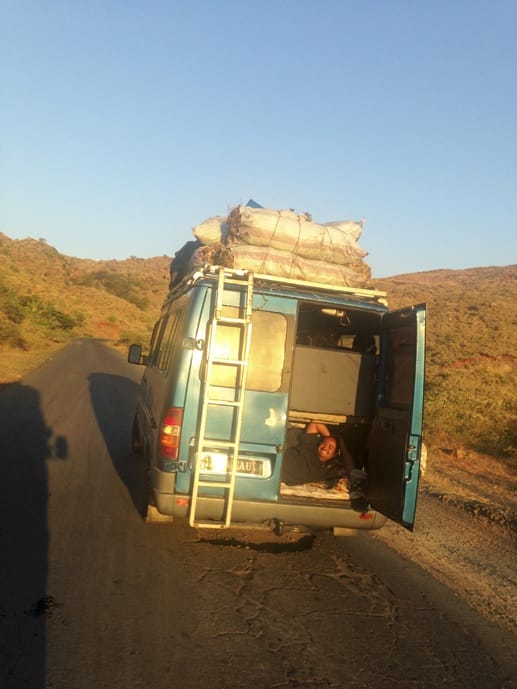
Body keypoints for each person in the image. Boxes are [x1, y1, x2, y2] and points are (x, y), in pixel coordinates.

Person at [281, 421, 368, 511]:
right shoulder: (310, 446)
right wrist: (330, 437)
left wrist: (342, 446)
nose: (325, 448)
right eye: (324, 443)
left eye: (330, 447)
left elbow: (351, 470)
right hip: (279, 459)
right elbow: (315, 424)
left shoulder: (329, 469)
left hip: (281, 476)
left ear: (334, 454)